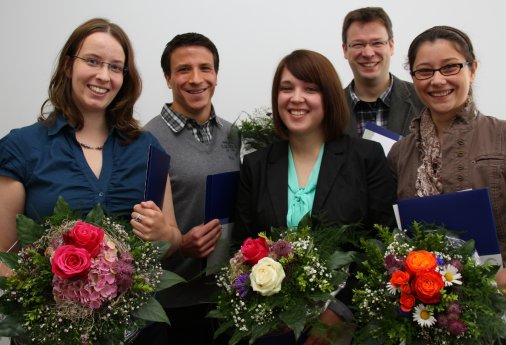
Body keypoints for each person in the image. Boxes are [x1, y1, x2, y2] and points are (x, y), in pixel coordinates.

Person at [387, 25, 506, 345]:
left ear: (472, 69)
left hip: (498, 321)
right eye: (424, 71)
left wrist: (484, 297)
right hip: (422, 325)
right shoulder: (399, 153)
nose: (437, 80)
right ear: (414, 78)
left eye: (450, 66)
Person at [234, 49, 396, 345]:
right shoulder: (256, 165)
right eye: (287, 88)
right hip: (275, 329)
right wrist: (271, 307)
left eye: (310, 89)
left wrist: (338, 312)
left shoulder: (365, 157)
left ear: (329, 97)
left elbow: (382, 243)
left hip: (349, 328)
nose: (297, 98)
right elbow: (242, 246)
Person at [0, 18, 181, 278]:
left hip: (139, 318)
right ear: (67, 65)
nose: (104, 76)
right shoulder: (20, 148)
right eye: (92, 61)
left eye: (116, 67)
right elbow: (5, 256)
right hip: (54, 316)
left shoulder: (148, 147)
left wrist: (165, 234)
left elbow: (173, 238)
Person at [133, 33, 240, 345]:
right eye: (183, 70)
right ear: (167, 78)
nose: (196, 79)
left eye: (205, 68)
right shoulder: (146, 140)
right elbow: (139, 227)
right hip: (173, 304)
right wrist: (179, 243)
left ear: (216, 75)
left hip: (230, 297)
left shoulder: (234, 134)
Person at [341, 7, 424, 137]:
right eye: (358, 44)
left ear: (391, 46)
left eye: (377, 43)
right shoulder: (329, 108)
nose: (368, 53)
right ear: (345, 50)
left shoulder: (423, 100)